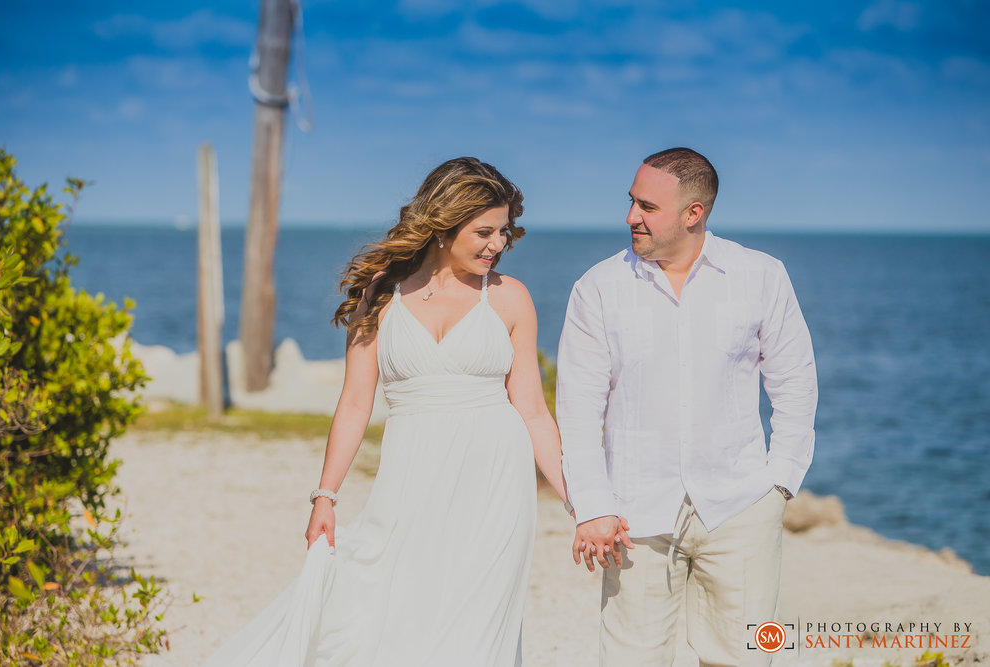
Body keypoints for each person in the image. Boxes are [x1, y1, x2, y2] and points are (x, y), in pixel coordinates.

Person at [204, 157, 568, 666]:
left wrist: (579, 497)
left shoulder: (511, 299)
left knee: (477, 624)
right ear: (443, 227)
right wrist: (325, 496)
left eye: (504, 231)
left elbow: (532, 410)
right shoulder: (380, 296)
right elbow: (355, 402)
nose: (497, 245)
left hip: (496, 485)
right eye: (484, 231)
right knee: (378, 606)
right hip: (409, 479)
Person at [557, 147, 817, 666]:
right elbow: (578, 409)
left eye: (647, 207)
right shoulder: (598, 288)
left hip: (741, 506)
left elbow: (794, 382)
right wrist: (593, 505)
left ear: (694, 213)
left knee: (743, 658)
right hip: (632, 517)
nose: (632, 216)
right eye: (631, 202)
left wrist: (780, 482)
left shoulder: (761, 276)